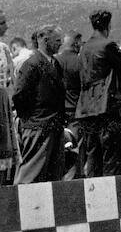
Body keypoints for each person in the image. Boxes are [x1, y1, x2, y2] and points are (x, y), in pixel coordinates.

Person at [75, 9, 121, 177]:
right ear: (108, 25)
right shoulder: (107, 45)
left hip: (86, 107)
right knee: (112, 154)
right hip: (105, 106)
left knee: (93, 153)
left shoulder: (84, 47)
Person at [11, 25, 65, 183]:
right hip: (38, 126)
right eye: (57, 41)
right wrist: (30, 119)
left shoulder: (55, 63)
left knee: (52, 176)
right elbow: (20, 95)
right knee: (31, 174)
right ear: (45, 40)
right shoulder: (32, 63)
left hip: (53, 126)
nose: (60, 44)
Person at [54, 31, 84, 177]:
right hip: (75, 110)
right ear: (76, 43)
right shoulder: (80, 62)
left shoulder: (54, 60)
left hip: (58, 111)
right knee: (75, 149)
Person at [0, 10, 19, 182]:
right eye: (2, 23)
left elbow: (12, 80)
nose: (6, 26)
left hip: (2, 102)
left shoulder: (4, 49)